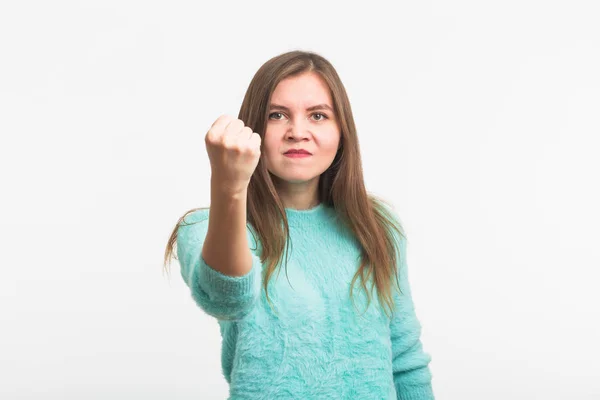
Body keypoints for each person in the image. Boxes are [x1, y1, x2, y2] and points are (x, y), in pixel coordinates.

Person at [163, 50, 435, 399]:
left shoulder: (378, 226)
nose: (298, 132)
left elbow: (405, 359)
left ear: (342, 131)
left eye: (318, 115)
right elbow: (227, 298)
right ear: (254, 129)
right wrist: (229, 187)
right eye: (277, 115)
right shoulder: (204, 227)